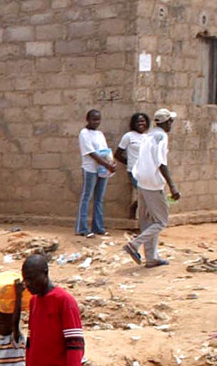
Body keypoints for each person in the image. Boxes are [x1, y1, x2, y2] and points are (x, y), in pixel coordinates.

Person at [123, 108, 182, 269]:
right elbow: (161, 163)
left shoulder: (148, 136)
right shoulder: (161, 137)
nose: (172, 124)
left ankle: (151, 258)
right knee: (161, 221)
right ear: (167, 122)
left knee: (148, 222)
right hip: (154, 184)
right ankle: (134, 245)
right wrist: (173, 186)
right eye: (171, 121)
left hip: (142, 181)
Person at [77, 109, 116, 237]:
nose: (96, 122)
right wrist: (107, 165)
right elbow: (91, 153)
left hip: (102, 170)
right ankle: (82, 228)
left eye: (98, 119)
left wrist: (111, 163)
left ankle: (98, 227)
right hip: (90, 169)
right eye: (94, 119)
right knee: (86, 197)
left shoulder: (99, 134)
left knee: (99, 198)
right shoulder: (84, 133)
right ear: (87, 119)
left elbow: (105, 151)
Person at [114, 112, 151, 221]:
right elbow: (117, 154)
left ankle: (138, 211)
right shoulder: (129, 136)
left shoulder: (148, 137)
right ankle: (134, 210)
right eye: (138, 121)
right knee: (144, 193)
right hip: (134, 171)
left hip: (146, 171)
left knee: (147, 194)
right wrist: (130, 162)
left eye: (143, 121)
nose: (141, 123)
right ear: (133, 124)